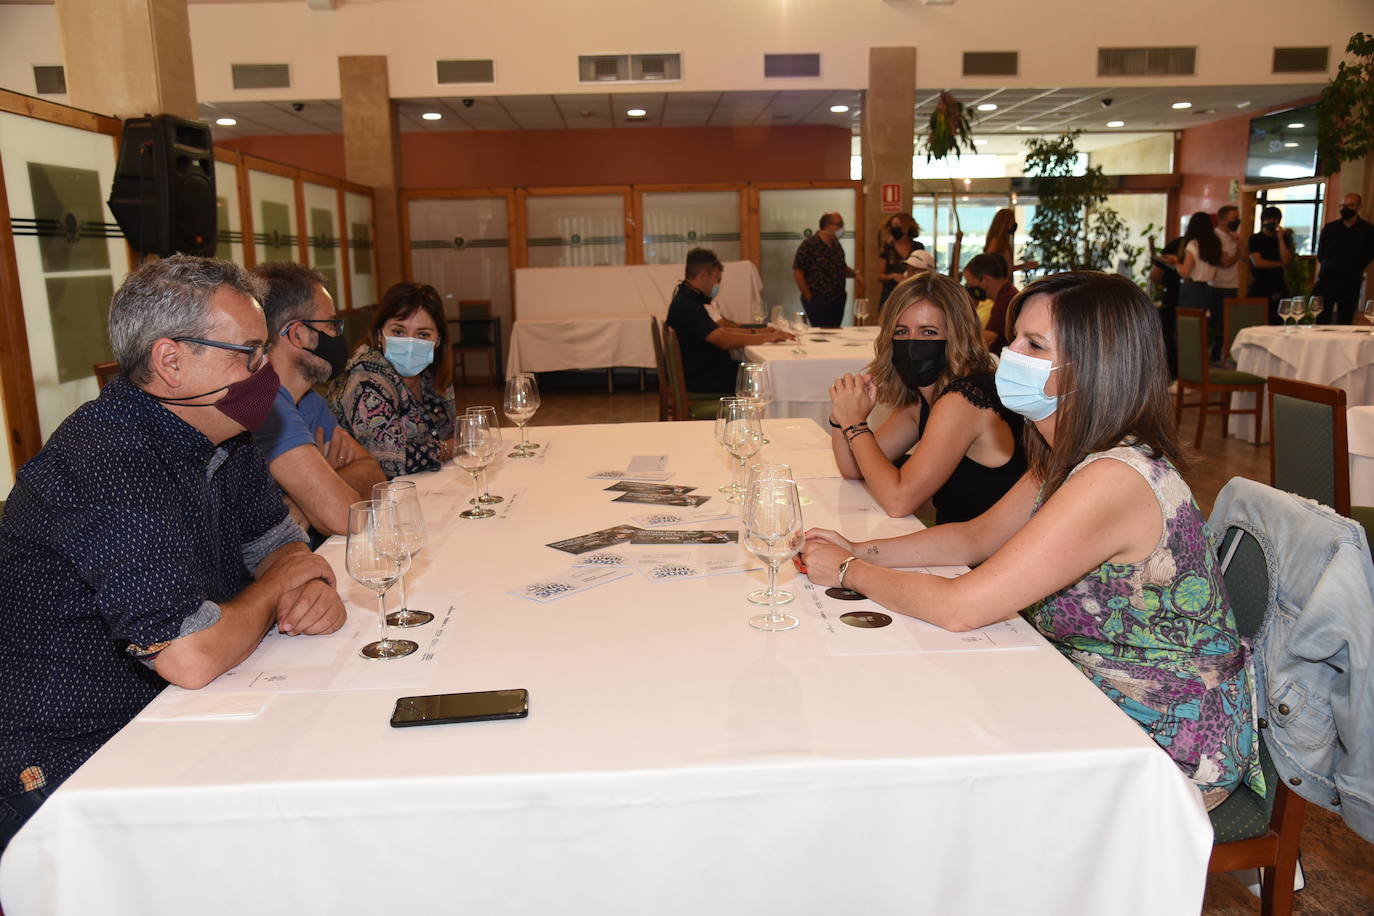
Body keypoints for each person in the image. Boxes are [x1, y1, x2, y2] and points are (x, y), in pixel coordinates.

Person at [803, 271, 1265, 811]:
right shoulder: (1067, 455)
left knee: (931, 759)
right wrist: (862, 550)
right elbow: (975, 539)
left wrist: (846, 572)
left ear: (1094, 367)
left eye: (1033, 345)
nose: (1007, 354)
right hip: (1089, 688)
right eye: (1014, 337)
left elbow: (960, 606)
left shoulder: (1113, 477)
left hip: (1163, 738)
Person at [0, 256, 346, 852]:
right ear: (170, 361)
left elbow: (284, 549)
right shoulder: (108, 458)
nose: (265, 373)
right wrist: (275, 588)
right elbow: (190, 655)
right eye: (249, 353)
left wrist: (307, 587)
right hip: (73, 763)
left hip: (169, 717)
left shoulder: (222, 431)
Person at [825, 271, 1026, 525]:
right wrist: (841, 414)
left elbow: (898, 501)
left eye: (928, 332)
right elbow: (853, 469)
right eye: (901, 331)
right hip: (954, 547)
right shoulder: (923, 400)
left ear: (957, 335)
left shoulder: (963, 400)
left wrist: (855, 425)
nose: (912, 343)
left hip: (988, 557)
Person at [251, 262, 385, 537]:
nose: (338, 336)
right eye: (332, 324)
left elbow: (375, 475)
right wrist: (328, 491)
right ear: (298, 334)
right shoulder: (267, 406)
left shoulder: (310, 401)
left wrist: (311, 499)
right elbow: (346, 517)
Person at [328, 282, 457, 479]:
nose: (410, 343)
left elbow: (451, 432)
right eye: (398, 332)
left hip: (426, 485)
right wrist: (448, 448)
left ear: (438, 340)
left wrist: (449, 446)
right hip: (370, 497)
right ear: (380, 333)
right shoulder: (365, 378)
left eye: (423, 334)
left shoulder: (433, 376)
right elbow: (388, 461)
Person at [666, 247, 791, 394]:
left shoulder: (688, 297)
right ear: (703, 275)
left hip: (706, 372)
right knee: (768, 378)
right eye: (716, 279)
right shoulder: (687, 304)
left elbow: (719, 330)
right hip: (703, 379)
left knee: (759, 372)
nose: (717, 285)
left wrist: (758, 332)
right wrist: (765, 337)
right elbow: (722, 339)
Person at [1313, 192, 1374, 325]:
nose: (1345, 209)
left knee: (1345, 320)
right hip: (1327, 279)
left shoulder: (1368, 230)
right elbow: (1321, 253)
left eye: (1350, 205)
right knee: (1321, 319)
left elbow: (1369, 254)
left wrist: (1354, 267)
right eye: (1342, 205)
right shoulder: (1330, 228)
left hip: (1350, 281)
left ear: (1358, 207)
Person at [793, 212, 860, 327]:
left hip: (838, 298)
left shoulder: (836, 245)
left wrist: (856, 274)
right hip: (818, 298)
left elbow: (841, 267)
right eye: (839, 224)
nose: (841, 228)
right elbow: (798, 271)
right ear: (827, 225)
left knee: (835, 331)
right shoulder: (809, 245)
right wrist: (808, 296)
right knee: (821, 333)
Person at [1176, 211, 1224, 357]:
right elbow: (1215, 272)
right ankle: (1200, 364)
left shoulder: (1193, 244)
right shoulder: (1215, 243)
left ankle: (1185, 369)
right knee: (1202, 329)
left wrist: (1176, 263)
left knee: (1187, 330)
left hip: (1192, 290)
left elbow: (1185, 272)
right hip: (1207, 289)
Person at [962, 252, 1019, 354]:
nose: (970, 289)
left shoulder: (1006, 300)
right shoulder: (1004, 294)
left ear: (985, 280)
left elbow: (988, 338)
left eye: (971, 284)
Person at [1207, 204, 1244, 353]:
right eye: (1234, 218)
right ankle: (1215, 355)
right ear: (1223, 220)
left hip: (1232, 285)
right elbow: (1226, 262)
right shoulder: (1215, 237)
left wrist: (1239, 244)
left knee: (1230, 322)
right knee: (1218, 324)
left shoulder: (1234, 236)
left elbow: (1246, 258)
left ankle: (1226, 353)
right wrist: (1237, 253)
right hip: (1218, 286)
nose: (1237, 221)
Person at [1247, 206, 1293, 323]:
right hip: (1260, 285)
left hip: (1279, 285)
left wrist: (1281, 239)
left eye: (1274, 219)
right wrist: (1279, 264)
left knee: (1278, 320)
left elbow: (1287, 261)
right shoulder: (1255, 238)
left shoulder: (1283, 238)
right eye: (1268, 219)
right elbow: (1258, 262)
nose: (1271, 222)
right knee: (1258, 319)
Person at [876, 213, 924, 306]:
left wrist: (908, 278)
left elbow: (923, 272)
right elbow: (880, 276)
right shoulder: (888, 247)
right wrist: (893, 276)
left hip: (912, 294)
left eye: (897, 225)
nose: (894, 228)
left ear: (906, 228)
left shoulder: (917, 247)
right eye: (892, 225)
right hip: (890, 295)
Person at [982, 208, 1038, 276]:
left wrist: (1024, 265)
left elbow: (1007, 268)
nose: (1014, 223)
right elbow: (991, 267)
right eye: (1012, 220)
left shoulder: (1004, 242)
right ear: (1005, 222)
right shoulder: (996, 242)